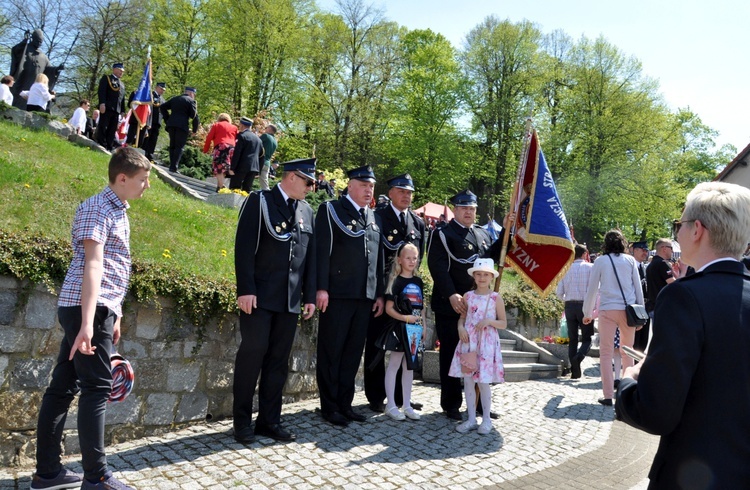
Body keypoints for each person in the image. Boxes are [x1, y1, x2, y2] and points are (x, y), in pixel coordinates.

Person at [616, 181, 750, 488]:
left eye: (680, 224)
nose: (677, 234)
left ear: (697, 230)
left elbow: (656, 412)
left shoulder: (684, 298)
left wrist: (628, 379)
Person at [31, 147, 150, 490]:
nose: (146, 187)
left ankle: (48, 473)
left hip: (97, 307)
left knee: (62, 387)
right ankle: (96, 477)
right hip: (87, 308)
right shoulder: (97, 208)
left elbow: (114, 267)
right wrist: (88, 323)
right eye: (142, 181)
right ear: (122, 178)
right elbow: (92, 265)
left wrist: (116, 310)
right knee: (97, 388)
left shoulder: (117, 210)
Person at [233, 158, 317, 444]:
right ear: (292, 177)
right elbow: (244, 247)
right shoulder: (260, 201)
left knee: (278, 363)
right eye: (308, 181)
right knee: (252, 357)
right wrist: (245, 289)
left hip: (289, 301)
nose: (311, 187)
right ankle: (242, 422)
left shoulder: (307, 210)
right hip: (259, 298)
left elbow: (308, 260)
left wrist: (308, 296)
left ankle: (269, 421)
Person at [427, 190, 510, 420]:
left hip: (478, 309)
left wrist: (506, 229)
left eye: (472, 209)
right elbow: (438, 267)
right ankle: (451, 404)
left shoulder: (482, 234)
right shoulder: (443, 233)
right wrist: (452, 294)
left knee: (481, 356)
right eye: (464, 208)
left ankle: (481, 405)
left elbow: (494, 255)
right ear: (455, 210)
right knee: (452, 354)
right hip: (451, 306)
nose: (469, 212)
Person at [315, 165, 384, 427]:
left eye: (372, 186)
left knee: (353, 353)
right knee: (332, 351)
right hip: (338, 294)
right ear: (351, 186)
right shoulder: (331, 210)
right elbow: (321, 252)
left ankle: (345, 404)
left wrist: (377, 293)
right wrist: (321, 288)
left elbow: (376, 259)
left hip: (364, 297)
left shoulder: (373, 217)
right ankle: (329, 406)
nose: (369, 190)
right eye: (364, 185)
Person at [365, 173, 426, 413]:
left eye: (410, 192)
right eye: (401, 191)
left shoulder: (418, 223)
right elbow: (373, 259)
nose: (406, 196)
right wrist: (380, 294)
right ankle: (376, 396)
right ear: (390, 193)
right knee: (378, 345)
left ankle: (402, 397)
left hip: (407, 298)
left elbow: (419, 260)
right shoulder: (378, 217)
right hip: (383, 294)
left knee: (405, 347)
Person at [582, 229, 644, 406]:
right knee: (628, 352)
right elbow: (637, 288)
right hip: (628, 310)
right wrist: (641, 315)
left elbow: (592, 288)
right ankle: (627, 393)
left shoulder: (600, 261)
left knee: (606, 353)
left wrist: (587, 313)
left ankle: (608, 395)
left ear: (606, 244)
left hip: (607, 310)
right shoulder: (630, 260)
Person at [448, 258, 506, 435]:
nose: (482, 278)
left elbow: (503, 323)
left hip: (487, 344)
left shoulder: (495, 298)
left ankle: (486, 419)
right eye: (479, 274)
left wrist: (490, 321)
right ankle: (471, 418)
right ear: (474, 276)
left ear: (491, 277)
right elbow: (462, 318)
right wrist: (460, 328)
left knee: (483, 382)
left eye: (485, 275)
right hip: (469, 343)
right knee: (468, 380)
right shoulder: (468, 296)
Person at [381, 243, 425, 421]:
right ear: (400, 260)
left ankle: (407, 404)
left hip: (415, 328)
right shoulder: (396, 281)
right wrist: (405, 318)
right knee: (394, 364)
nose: (412, 261)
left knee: (410, 366)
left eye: (415, 258)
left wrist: (422, 325)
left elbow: (421, 306)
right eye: (408, 257)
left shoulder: (418, 281)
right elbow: (389, 309)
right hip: (400, 327)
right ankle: (391, 404)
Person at [555, 243, 594, 379]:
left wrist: (567, 298)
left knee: (572, 339)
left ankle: (574, 370)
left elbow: (558, 292)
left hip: (570, 305)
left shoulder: (566, 269)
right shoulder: (591, 267)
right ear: (585, 254)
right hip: (585, 305)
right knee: (587, 338)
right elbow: (596, 289)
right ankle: (579, 357)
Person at [9, 29, 64, 110]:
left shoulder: (43, 56)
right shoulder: (25, 48)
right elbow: (16, 51)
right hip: (23, 80)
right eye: (37, 41)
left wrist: (57, 69)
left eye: (41, 42)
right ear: (32, 38)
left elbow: (48, 69)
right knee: (20, 99)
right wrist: (25, 40)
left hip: (36, 84)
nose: (39, 43)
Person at [645, 238, 681, 351]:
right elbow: (673, 284)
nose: (672, 251)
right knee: (665, 339)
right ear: (664, 248)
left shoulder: (651, 264)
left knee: (658, 337)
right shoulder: (662, 264)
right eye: (671, 248)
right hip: (662, 307)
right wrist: (682, 275)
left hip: (653, 305)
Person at [160, 86, 199, 173]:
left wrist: (167, 119)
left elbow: (162, 107)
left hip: (171, 125)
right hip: (182, 126)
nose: (194, 96)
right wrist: (194, 130)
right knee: (179, 146)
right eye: (194, 94)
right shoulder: (191, 101)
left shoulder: (175, 99)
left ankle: (172, 165)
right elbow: (195, 117)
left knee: (172, 145)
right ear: (191, 93)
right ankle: (174, 166)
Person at [202, 113, 237, 192]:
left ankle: (221, 187)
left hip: (221, 146)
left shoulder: (216, 125)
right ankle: (219, 186)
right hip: (232, 148)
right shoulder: (234, 127)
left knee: (219, 167)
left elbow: (209, 138)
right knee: (224, 167)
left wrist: (205, 150)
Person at [96, 63, 126, 151]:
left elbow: (122, 98)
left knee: (112, 129)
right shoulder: (107, 78)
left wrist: (123, 111)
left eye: (122, 71)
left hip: (116, 110)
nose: (121, 72)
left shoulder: (122, 84)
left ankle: (109, 146)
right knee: (104, 125)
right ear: (114, 69)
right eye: (120, 70)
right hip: (107, 107)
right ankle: (101, 142)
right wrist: (102, 103)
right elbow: (102, 91)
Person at [228, 117, 263, 191]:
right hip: (254, 168)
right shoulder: (259, 140)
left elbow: (237, 153)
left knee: (235, 188)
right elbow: (262, 156)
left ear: (242, 125)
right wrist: (258, 171)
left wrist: (232, 168)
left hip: (241, 166)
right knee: (247, 190)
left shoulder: (242, 136)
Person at [630, 241, 650, 352]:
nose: (645, 253)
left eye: (646, 251)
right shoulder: (630, 265)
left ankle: (638, 364)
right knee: (634, 340)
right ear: (635, 250)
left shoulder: (643, 266)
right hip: (634, 306)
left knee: (644, 339)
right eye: (643, 250)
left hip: (645, 307)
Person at [141, 82, 166, 161]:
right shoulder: (150, 95)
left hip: (157, 122)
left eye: (163, 90)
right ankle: (144, 152)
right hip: (150, 121)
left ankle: (150, 154)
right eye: (161, 89)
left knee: (153, 139)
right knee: (147, 137)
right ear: (156, 87)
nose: (162, 91)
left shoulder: (162, 100)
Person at [258, 124, 278, 191]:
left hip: (259, 161)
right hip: (267, 163)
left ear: (269, 129)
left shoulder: (265, 136)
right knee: (265, 185)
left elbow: (256, 142)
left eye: (267, 128)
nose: (265, 129)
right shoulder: (275, 141)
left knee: (247, 177)